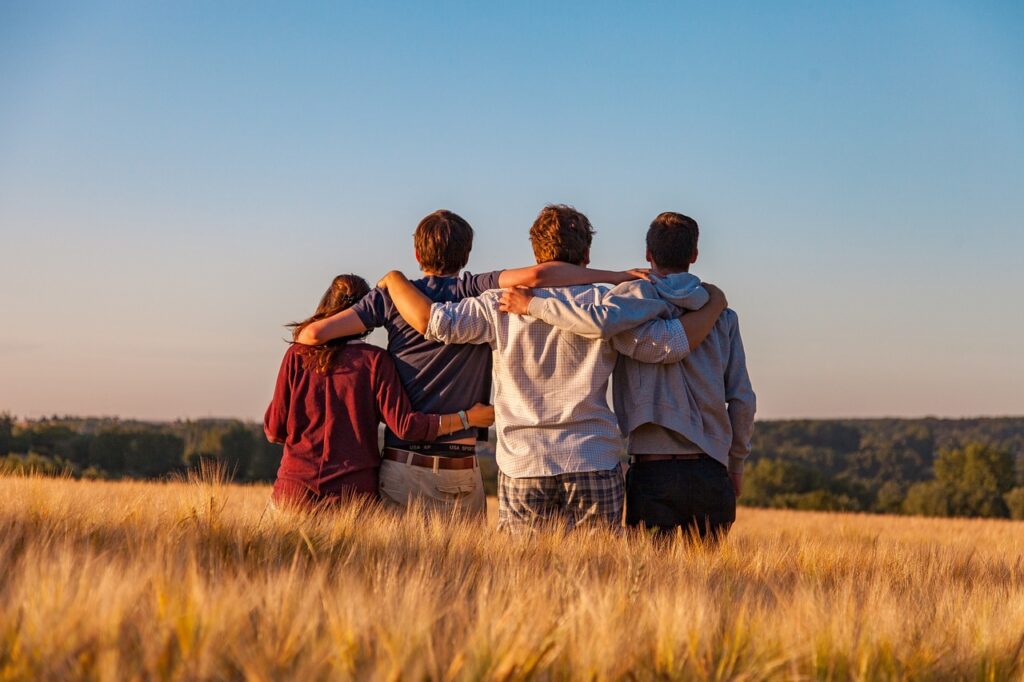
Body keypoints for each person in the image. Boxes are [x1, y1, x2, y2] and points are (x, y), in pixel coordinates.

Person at [379, 205, 727, 532]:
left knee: (525, 580)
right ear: (586, 255)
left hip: (524, 463)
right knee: (598, 579)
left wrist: (394, 280)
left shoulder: (498, 304)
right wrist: (714, 305)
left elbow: (436, 323)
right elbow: (667, 346)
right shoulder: (607, 305)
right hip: (592, 457)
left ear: (535, 254)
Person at [293, 209, 647, 518]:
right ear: (467, 254)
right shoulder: (476, 289)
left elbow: (311, 336)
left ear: (417, 253)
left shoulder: (391, 297)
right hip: (461, 467)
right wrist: (615, 277)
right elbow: (540, 277)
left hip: (402, 464)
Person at [499, 212, 755, 540]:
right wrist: (736, 464)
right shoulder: (722, 316)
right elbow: (743, 399)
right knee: (708, 586)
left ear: (648, 254)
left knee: (646, 584)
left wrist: (534, 305)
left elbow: (597, 323)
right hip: (712, 469)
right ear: (694, 256)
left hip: (653, 470)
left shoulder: (626, 305)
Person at [264, 274, 494, 512]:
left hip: (294, 492)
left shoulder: (297, 355)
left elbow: (274, 430)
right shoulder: (375, 361)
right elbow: (406, 426)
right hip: (353, 497)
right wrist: (467, 418)